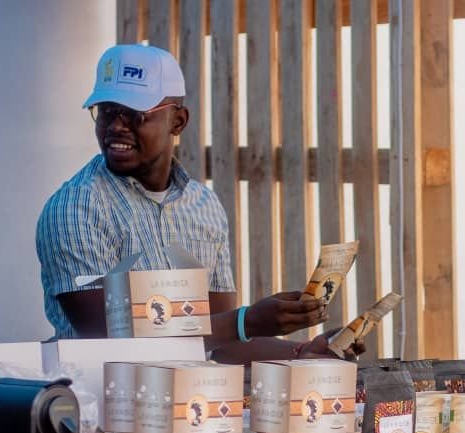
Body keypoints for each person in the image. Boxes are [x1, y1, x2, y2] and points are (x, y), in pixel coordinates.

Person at [36, 44, 354, 361]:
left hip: (190, 400)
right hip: (99, 401)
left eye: (134, 114)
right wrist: (243, 321)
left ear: (178, 121)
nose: (116, 126)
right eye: (106, 111)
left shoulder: (204, 206)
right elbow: (105, 337)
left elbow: (221, 343)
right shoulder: (75, 208)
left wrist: (302, 352)